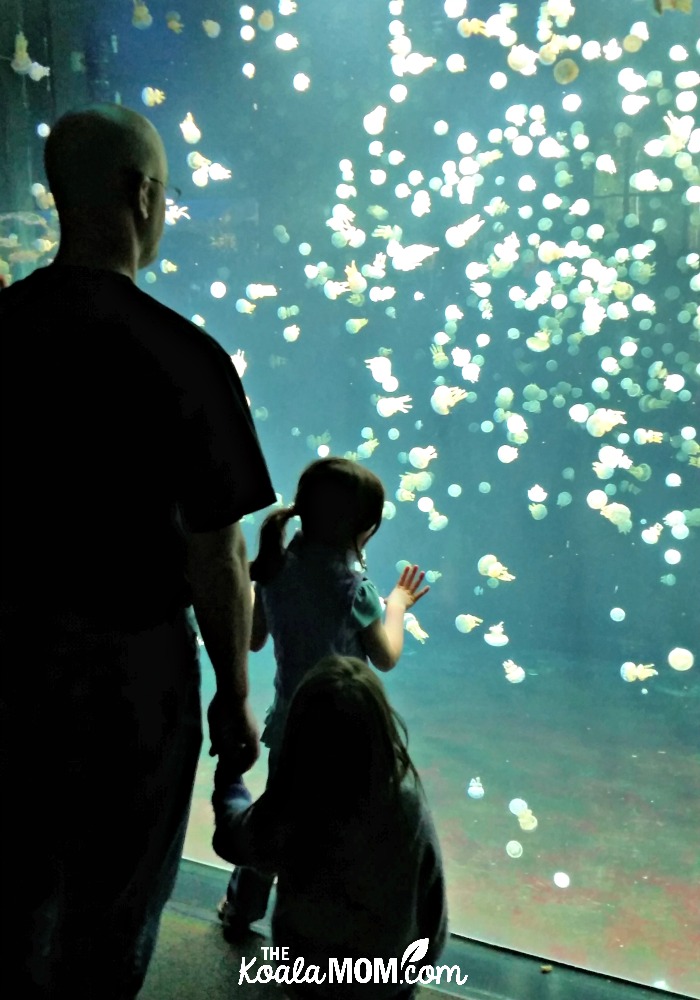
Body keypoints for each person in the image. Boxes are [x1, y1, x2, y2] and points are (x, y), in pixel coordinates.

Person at [0, 103, 276, 999]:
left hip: (2, 661)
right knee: (110, 915)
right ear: (142, 193)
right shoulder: (184, 357)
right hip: (132, 675)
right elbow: (216, 556)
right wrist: (234, 698)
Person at [212, 455, 430, 939]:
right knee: (333, 828)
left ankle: (240, 909)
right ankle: (317, 928)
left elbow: (252, 639)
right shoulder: (357, 589)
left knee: (276, 816)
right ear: (367, 529)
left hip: (291, 724)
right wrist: (397, 604)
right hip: (345, 735)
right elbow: (387, 655)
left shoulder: (276, 569)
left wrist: (257, 578)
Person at [213, 655, 448, 999]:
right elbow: (432, 891)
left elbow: (235, 841)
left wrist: (229, 779)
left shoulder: (295, 801)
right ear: (382, 725)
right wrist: (422, 960)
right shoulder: (405, 802)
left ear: (298, 731)